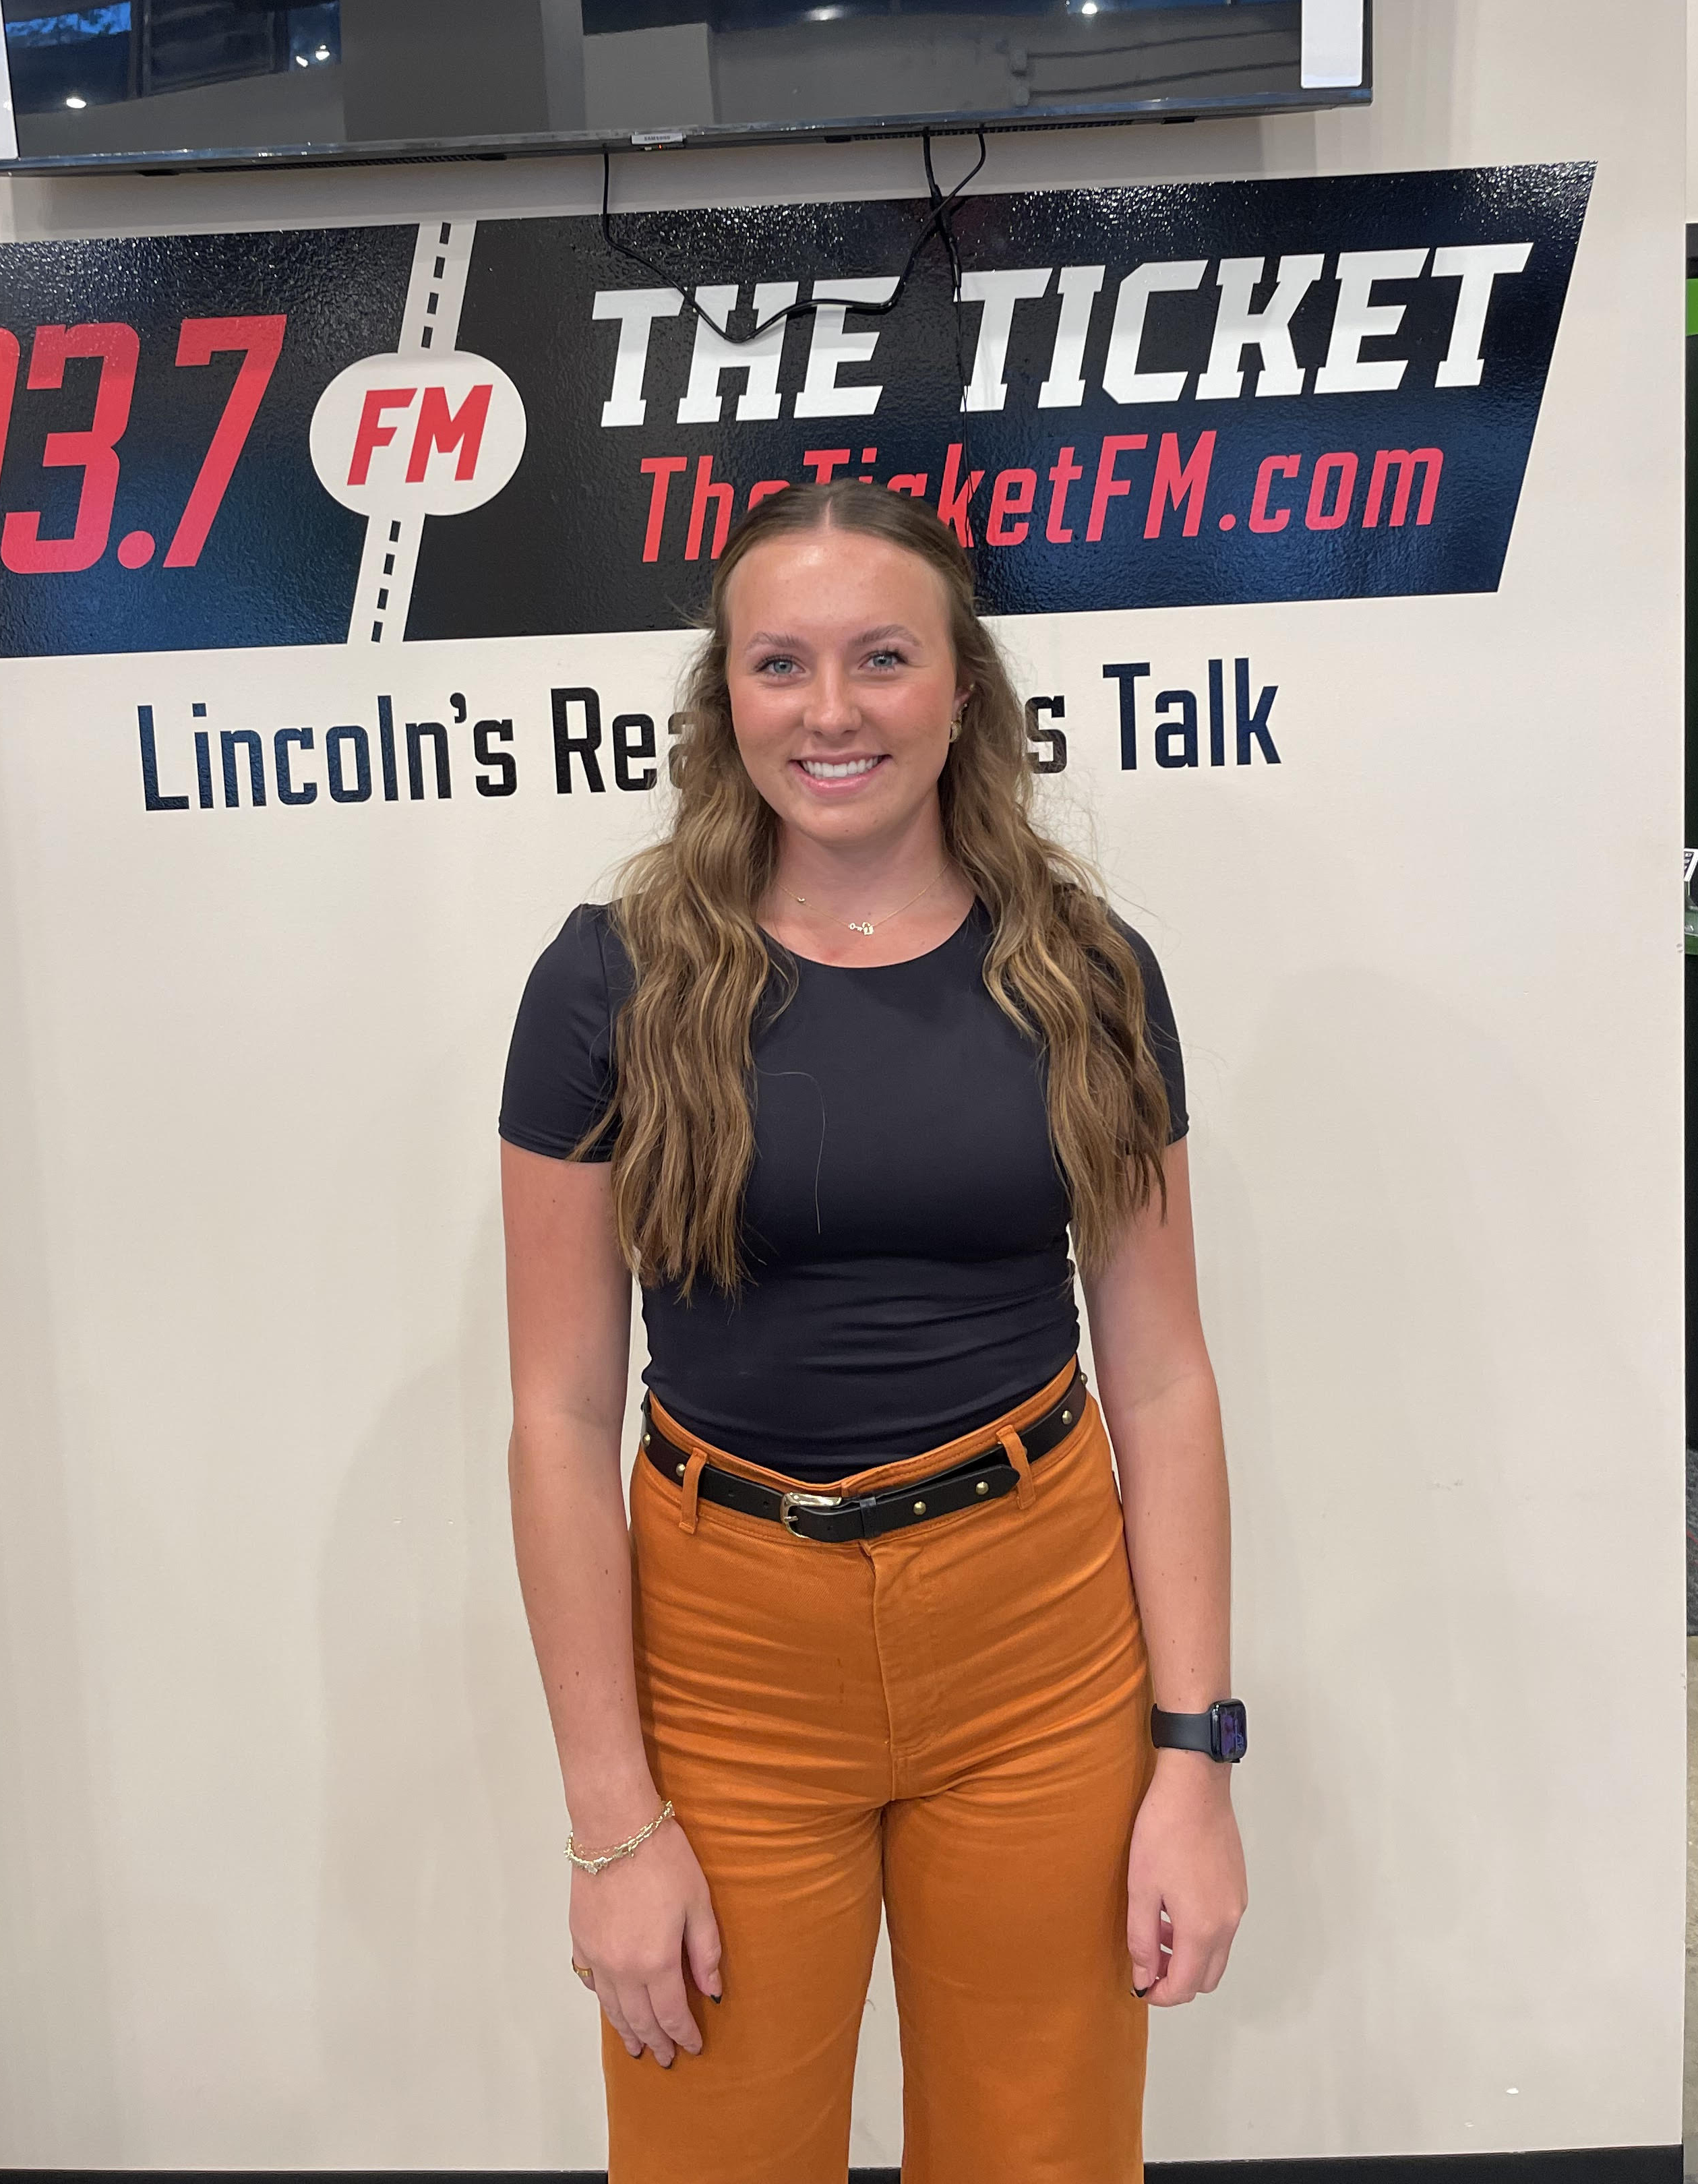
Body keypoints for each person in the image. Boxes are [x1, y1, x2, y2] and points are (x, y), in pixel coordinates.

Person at [498, 477, 1245, 2184]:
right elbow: (555, 1413)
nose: (831, 713)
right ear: (725, 700)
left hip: (1039, 1642)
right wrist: (613, 1829)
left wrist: (1194, 1762)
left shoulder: (1089, 974)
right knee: (714, 2151)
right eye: (780, 665)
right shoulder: (607, 983)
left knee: (1041, 2154)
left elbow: (1165, 1376)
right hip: (727, 1653)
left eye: (882, 659)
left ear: (960, 690)